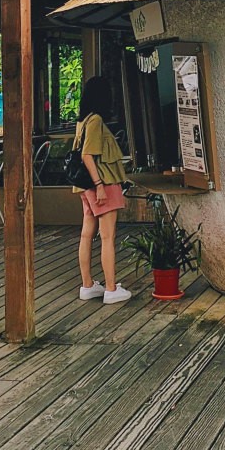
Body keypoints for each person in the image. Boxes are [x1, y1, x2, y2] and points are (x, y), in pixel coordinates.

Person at [75, 75, 131, 304]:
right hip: (102, 183)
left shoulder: (84, 120)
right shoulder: (96, 120)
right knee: (107, 236)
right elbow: (87, 155)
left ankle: (88, 285)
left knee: (86, 233)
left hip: (85, 186)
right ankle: (110, 288)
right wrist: (99, 185)